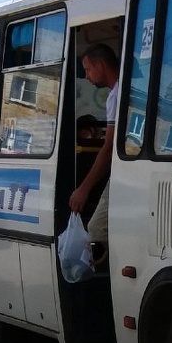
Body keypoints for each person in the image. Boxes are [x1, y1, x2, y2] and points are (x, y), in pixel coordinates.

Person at [66, 44, 121, 250]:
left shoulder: (116, 95)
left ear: (100, 65)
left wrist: (83, 189)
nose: (87, 77)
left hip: (124, 171)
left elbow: (108, 148)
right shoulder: (125, 89)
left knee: (97, 229)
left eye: (88, 69)